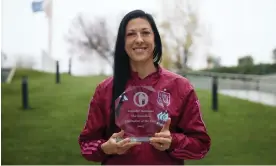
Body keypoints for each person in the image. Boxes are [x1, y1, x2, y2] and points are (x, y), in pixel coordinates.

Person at [78, 9, 211, 165]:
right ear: (122, 42)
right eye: (131, 34)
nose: (139, 39)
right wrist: (105, 148)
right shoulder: (105, 90)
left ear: (155, 39)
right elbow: (87, 144)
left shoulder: (180, 86)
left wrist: (173, 141)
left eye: (145, 33)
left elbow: (201, 144)